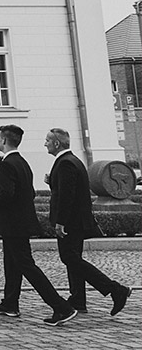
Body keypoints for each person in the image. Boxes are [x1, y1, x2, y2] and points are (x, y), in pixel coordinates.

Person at [0, 124, 75, 325]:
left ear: (4, 140)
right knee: (12, 263)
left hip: (13, 224)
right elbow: (29, 193)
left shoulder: (8, 164)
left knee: (26, 265)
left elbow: (6, 194)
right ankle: (10, 303)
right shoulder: (22, 162)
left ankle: (61, 307)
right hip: (20, 223)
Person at [44, 127, 132, 317]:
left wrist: (60, 222)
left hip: (71, 223)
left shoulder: (66, 163)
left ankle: (116, 289)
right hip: (77, 221)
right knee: (73, 259)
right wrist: (52, 181)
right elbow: (68, 189)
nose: (45, 144)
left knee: (70, 258)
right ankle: (78, 299)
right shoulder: (72, 161)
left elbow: (67, 196)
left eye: (48, 141)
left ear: (57, 143)